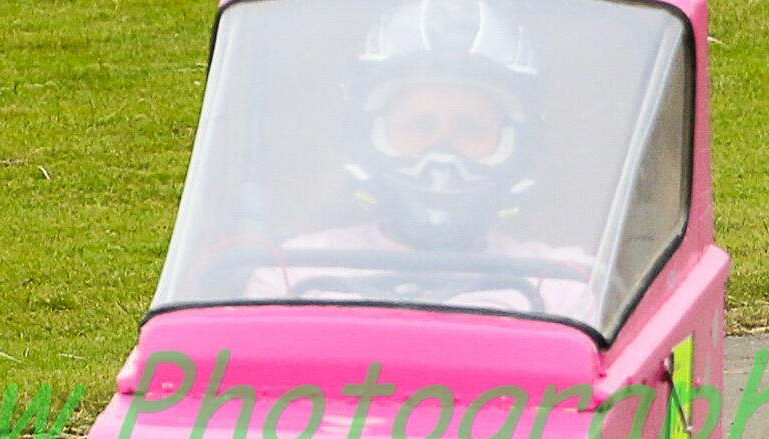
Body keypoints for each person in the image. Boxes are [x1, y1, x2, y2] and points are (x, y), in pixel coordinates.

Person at [248, 0, 599, 319]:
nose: (441, 156)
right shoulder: (292, 273)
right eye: (418, 126)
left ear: (514, 144)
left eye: (470, 129)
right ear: (369, 133)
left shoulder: (559, 284)